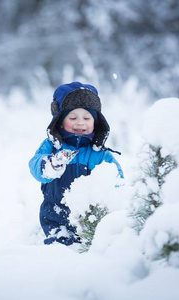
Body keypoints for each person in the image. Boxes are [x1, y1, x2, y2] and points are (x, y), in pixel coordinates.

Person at [29, 82, 124, 246]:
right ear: (59, 121)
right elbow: (35, 165)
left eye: (87, 118)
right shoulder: (52, 147)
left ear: (96, 122)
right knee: (59, 250)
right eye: (73, 118)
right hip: (55, 215)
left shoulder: (99, 154)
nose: (80, 123)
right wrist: (49, 166)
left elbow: (117, 180)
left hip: (91, 219)